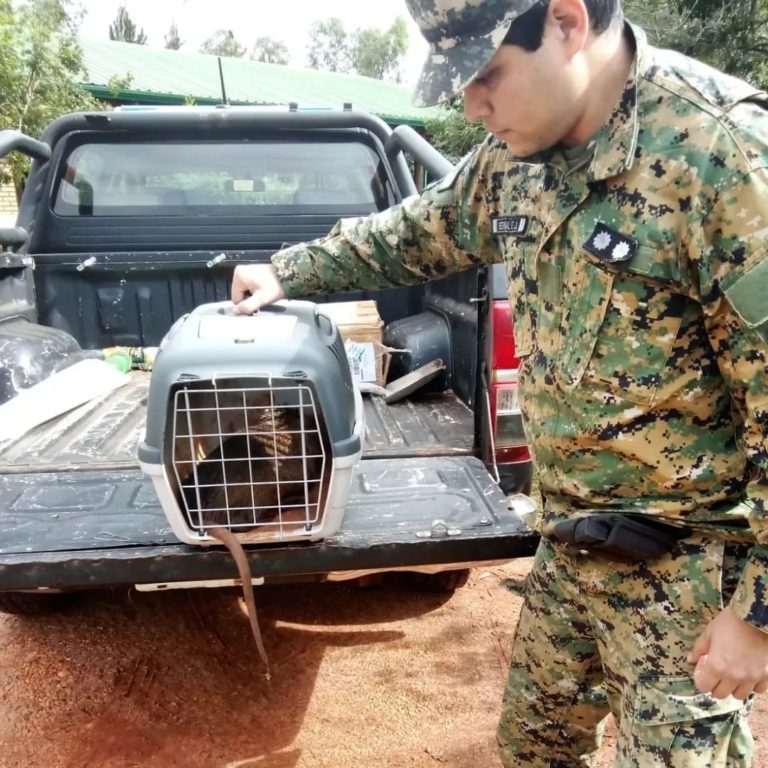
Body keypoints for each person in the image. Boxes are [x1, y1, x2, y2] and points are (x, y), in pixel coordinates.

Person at [231, 0, 768, 764]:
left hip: (688, 574)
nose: (471, 104)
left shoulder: (722, 156)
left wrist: (758, 615)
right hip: (572, 545)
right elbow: (421, 230)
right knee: (532, 749)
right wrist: (289, 270)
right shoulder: (516, 159)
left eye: (487, 74)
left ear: (568, 20)